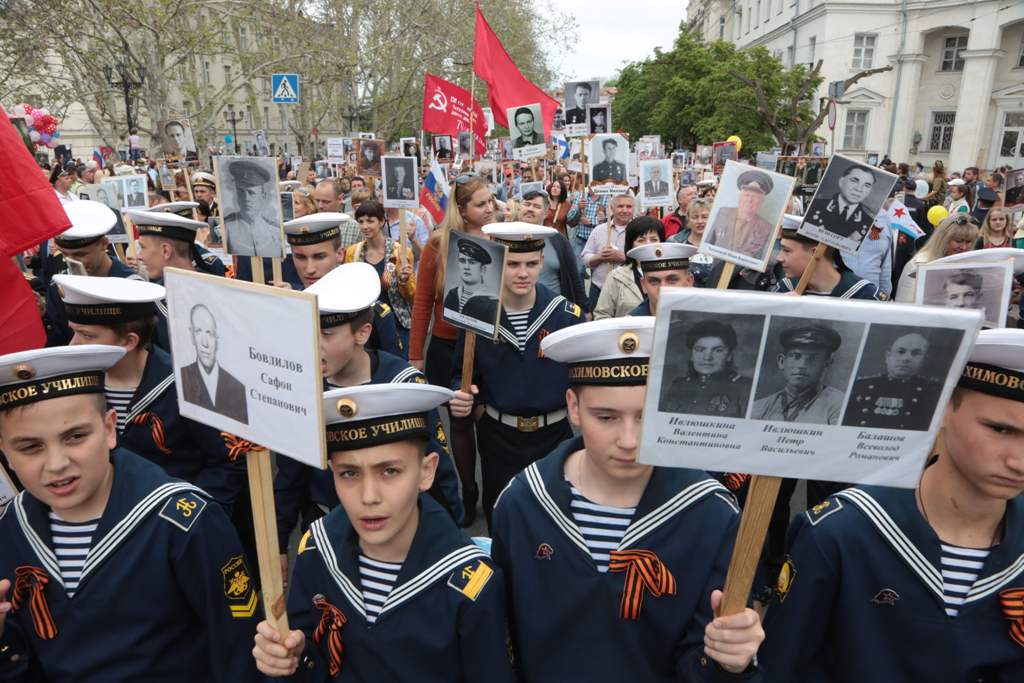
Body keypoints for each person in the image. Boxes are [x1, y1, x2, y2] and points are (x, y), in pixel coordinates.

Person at [492, 316, 765, 681]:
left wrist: (732, 662)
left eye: (646, 416)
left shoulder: (710, 514)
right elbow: (502, 639)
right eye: (606, 417)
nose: (629, 440)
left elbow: (705, 654)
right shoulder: (523, 502)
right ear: (573, 406)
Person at [761, 328, 1024, 682]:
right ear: (943, 408)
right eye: (1000, 430)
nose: (1018, 461)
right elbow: (783, 664)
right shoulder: (842, 534)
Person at [0, 345, 262, 681]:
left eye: (76, 436)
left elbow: (237, 648)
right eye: (30, 447)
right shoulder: (11, 527)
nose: (57, 464)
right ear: (5, 453)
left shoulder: (182, 522)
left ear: (110, 429)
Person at [253, 383, 512, 681]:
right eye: (349, 473)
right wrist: (292, 658)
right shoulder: (317, 551)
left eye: (390, 471)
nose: (369, 496)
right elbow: (312, 649)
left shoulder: (470, 585)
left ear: (427, 471)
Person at [274, 263, 463, 580]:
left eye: (326, 334)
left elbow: (438, 470)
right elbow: (290, 474)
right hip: (327, 529)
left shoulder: (403, 386)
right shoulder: (300, 385)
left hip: (398, 533)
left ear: (362, 333)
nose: (312, 345)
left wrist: (452, 538)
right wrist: (279, 541)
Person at [55, 274, 246, 507]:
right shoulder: (74, 387)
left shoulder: (188, 384)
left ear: (129, 341)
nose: (72, 345)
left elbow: (227, 464)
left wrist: (188, 519)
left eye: (86, 336)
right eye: (74, 331)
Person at [450, 224, 583, 524]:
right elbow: (463, 374)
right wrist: (462, 395)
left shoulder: (564, 315)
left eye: (531, 263)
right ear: (497, 263)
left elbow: (581, 377)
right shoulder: (477, 315)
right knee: (504, 518)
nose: (522, 273)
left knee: (554, 520)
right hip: (499, 437)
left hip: (555, 437)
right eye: (512, 264)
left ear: (541, 262)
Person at [409, 176, 495, 523]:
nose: (489, 208)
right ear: (462, 210)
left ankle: (493, 491)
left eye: (491, 201)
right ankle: (468, 492)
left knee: (486, 419)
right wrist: (415, 355)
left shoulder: (499, 240)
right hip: (446, 345)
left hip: (488, 345)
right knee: (458, 422)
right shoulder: (437, 244)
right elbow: (422, 301)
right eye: (481, 204)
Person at [44, 201, 143, 346]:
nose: (71, 261)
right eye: (65, 254)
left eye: (80, 254)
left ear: (104, 244)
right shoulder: (59, 288)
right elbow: (58, 340)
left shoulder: (132, 286)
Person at [346, 201, 415, 354]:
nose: (365, 226)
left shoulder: (401, 252)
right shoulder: (353, 252)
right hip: (365, 326)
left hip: (397, 324)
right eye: (361, 221)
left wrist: (404, 280)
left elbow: (412, 296)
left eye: (370, 221)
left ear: (382, 221)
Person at [843, 331, 944, 430]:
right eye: (900, 352)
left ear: (924, 361)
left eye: (916, 353)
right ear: (888, 357)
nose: (906, 358)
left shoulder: (934, 392)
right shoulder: (860, 386)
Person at [751, 323, 845, 424]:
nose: (802, 365)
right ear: (781, 362)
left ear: (827, 364)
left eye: (813, 358)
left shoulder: (840, 406)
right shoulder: (758, 407)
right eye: (796, 356)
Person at [661, 318, 753, 417]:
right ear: (692, 354)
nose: (707, 357)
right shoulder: (679, 386)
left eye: (718, 350)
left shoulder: (745, 388)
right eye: (700, 350)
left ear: (729, 355)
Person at [518, 189, 588, 312]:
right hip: (517, 309)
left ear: (545, 213)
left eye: (536, 206)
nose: (530, 209)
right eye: (527, 204)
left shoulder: (557, 240)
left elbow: (574, 277)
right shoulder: (504, 237)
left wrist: (584, 309)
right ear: (519, 208)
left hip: (553, 312)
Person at [178, 303, 248, 424]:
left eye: (209, 333)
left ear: (217, 338)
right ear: (191, 335)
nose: (205, 343)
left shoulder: (238, 388)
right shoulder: (182, 377)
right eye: (198, 331)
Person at [775, 222, 880, 300]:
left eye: (786, 250)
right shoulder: (785, 289)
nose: (779, 258)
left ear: (815, 252)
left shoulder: (864, 295)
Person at [894, 213, 979, 302]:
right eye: (959, 241)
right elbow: (905, 304)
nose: (964, 247)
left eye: (968, 242)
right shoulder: (919, 264)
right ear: (943, 239)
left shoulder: (967, 264)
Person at [706, 170, 776, 259]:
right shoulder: (723, 212)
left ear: (761, 202)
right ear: (740, 197)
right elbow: (708, 242)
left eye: (755, 197)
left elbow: (760, 258)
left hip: (742, 271)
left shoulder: (766, 227)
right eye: (746, 195)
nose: (749, 200)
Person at [582, 192, 633, 312]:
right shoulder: (599, 230)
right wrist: (600, 257)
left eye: (629, 206)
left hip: (628, 291)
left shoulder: (639, 231)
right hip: (599, 289)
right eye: (620, 206)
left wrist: (624, 258)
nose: (625, 210)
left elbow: (644, 261)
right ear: (612, 208)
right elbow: (585, 258)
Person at [804, 163, 877, 242]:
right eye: (854, 181)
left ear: (869, 191)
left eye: (867, 185)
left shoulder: (869, 222)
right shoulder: (815, 206)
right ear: (841, 182)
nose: (859, 189)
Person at [626, 241, 697, 316]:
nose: (663, 289)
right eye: (654, 281)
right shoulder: (631, 325)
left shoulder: (706, 320)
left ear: (689, 281)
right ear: (643, 285)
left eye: (672, 280)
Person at [840, 208, 894, 298]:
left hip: (871, 301)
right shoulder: (829, 211)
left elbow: (885, 268)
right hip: (836, 299)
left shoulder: (883, 218)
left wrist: (884, 299)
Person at [668, 198, 714, 286]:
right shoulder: (674, 243)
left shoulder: (721, 245)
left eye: (704, 217)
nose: (700, 221)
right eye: (695, 217)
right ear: (688, 218)